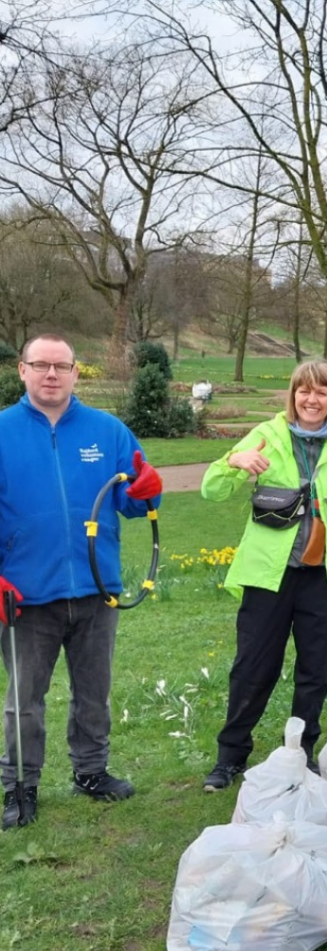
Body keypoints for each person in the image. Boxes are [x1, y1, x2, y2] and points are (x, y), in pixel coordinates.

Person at [0, 334, 163, 830]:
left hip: (97, 590)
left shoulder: (108, 431)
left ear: (76, 372)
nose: (52, 375)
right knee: (24, 699)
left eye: (61, 366)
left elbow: (133, 501)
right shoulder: (3, 431)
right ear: (22, 371)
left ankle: (90, 772)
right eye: (40, 365)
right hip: (26, 596)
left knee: (94, 692)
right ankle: (20, 786)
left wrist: (148, 493)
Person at [200, 358, 327, 791]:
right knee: (253, 666)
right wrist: (235, 460)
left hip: (324, 577)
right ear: (292, 395)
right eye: (304, 390)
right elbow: (211, 489)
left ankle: (300, 753)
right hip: (270, 576)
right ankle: (231, 756)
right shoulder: (266, 436)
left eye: (321, 392)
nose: (311, 399)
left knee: (316, 671)